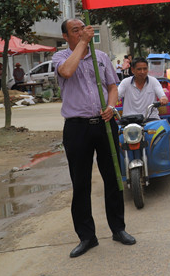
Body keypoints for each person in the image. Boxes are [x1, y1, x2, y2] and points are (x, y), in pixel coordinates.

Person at [53, 18, 135, 258]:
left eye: (83, 29)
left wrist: (112, 106)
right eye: (74, 31)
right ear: (66, 37)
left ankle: (118, 228)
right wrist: (83, 44)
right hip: (76, 128)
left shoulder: (101, 57)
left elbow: (112, 86)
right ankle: (87, 236)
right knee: (81, 183)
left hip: (104, 124)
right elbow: (67, 72)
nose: (81, 33)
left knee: (113, 178)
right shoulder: (60, 59)